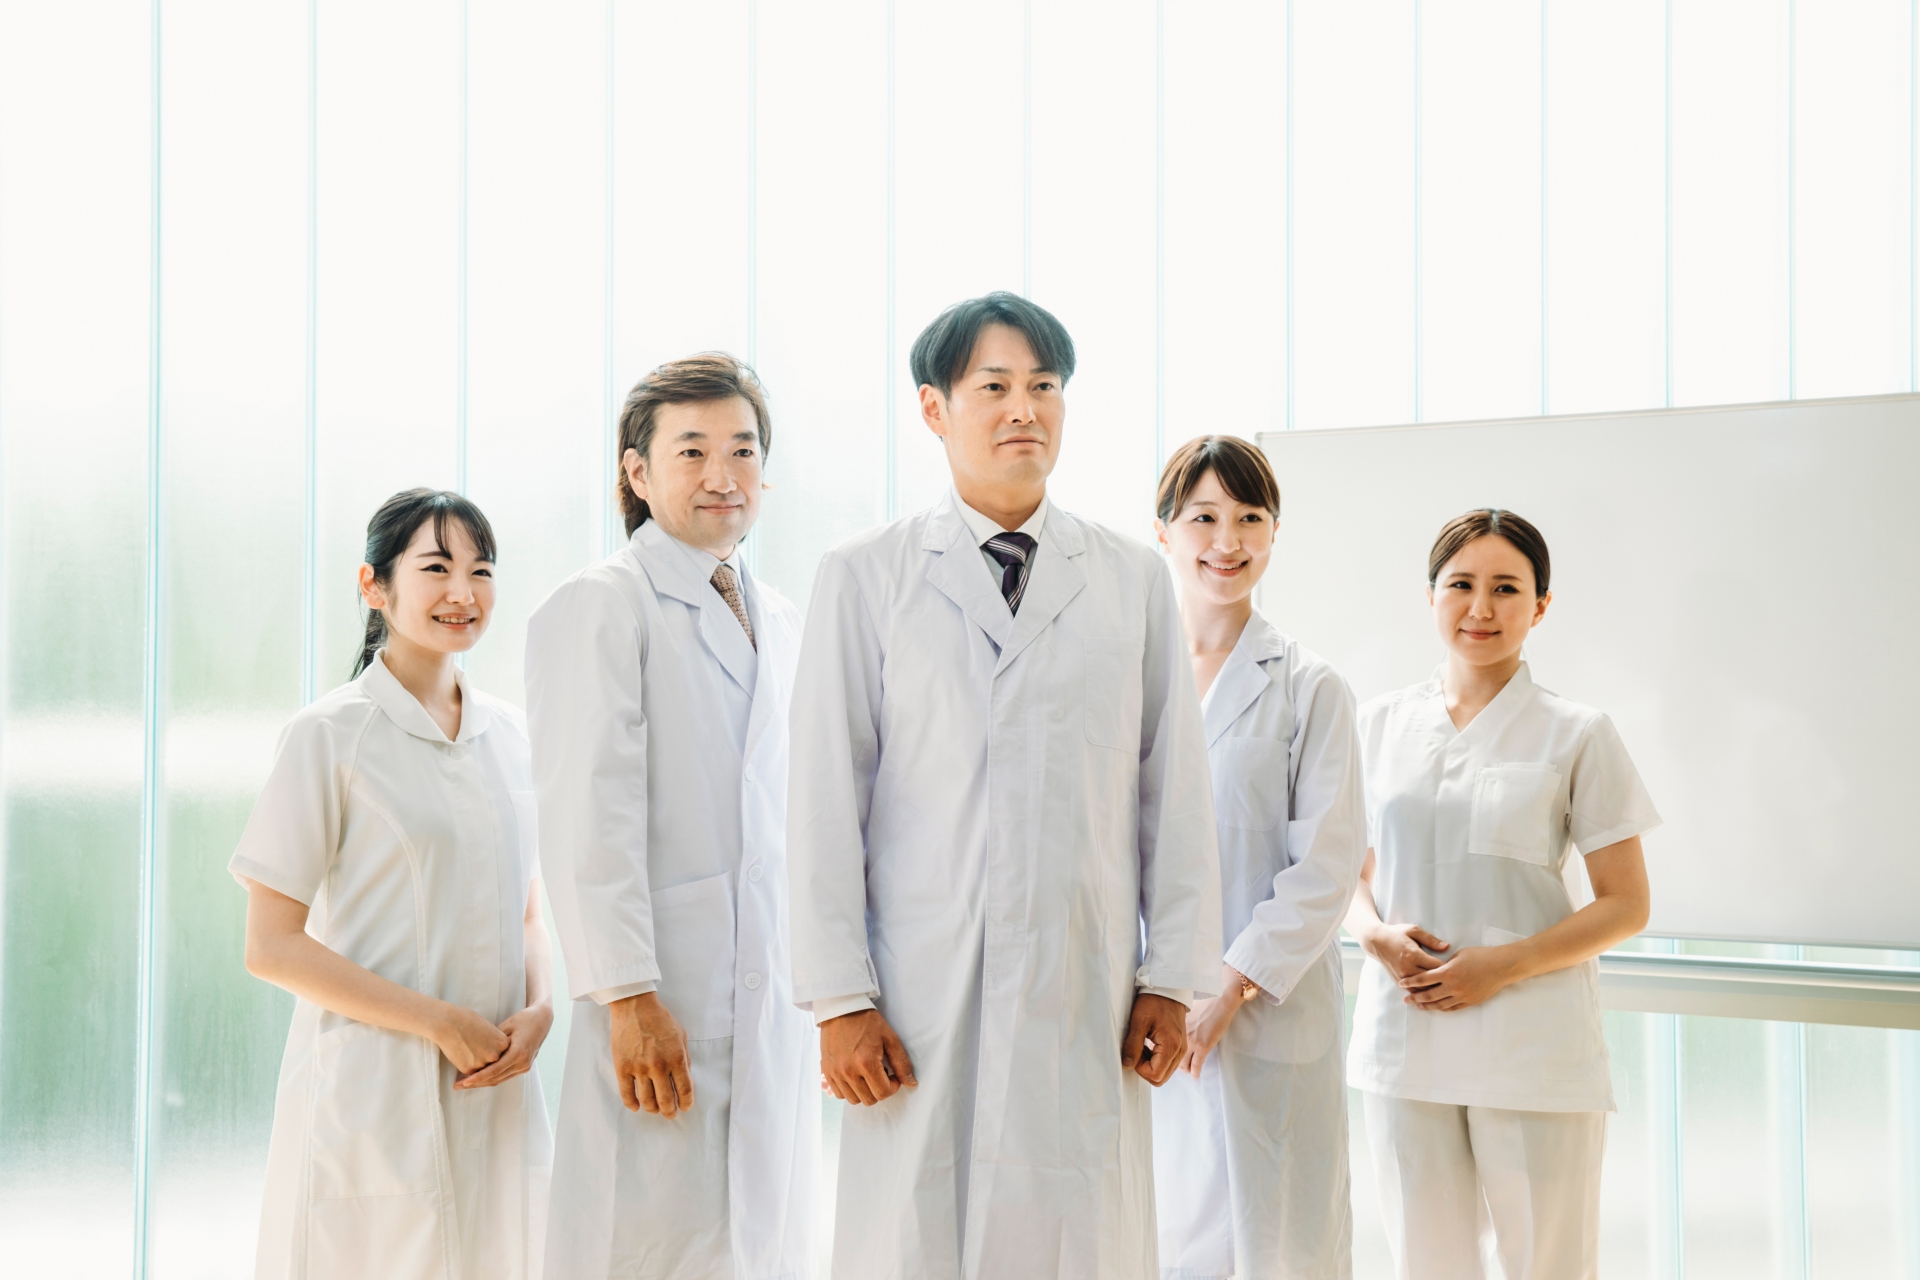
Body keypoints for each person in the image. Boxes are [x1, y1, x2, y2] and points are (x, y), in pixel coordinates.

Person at [787, 292, 1223, 1280]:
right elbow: (822, 799)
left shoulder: (1129, 577)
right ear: (934, 408)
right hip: (919, 987)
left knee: (1077, 1234)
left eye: (1044, 385)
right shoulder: (865, 575)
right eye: (994, 386)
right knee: (917, 1236)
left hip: (1085, 981)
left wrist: (1170, 979)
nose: (1024, 408)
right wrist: (839, 998)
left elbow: (1173, 793)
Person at [524, 353, 815, 1280]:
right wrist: (627, 995)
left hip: (769, 992)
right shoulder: (601, 606)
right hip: (664, 993)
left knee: (761, 1242)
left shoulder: (784, 617)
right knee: (648, 1241)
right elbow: (587, 815)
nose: (723, 474)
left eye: (743, 450)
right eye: (691, 451)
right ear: (637, 472)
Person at [231, 488, 553, 1280]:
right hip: (373, 1099)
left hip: (498, 1087)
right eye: (436, 568)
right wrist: (437, 1021)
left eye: (481, 571)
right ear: (374, 586)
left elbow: (527, 912)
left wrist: (542, 1009)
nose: (462, 592)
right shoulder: (329, 735)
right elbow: (271, 946)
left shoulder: (513, 736)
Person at [1345, 509, 1659, 1280]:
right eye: (1461, 585)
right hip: (1406, 1043)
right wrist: (1372, 935)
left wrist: (1504, 966)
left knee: (1547, 1265)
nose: (1480, 608)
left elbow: (1626, 903)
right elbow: (1344, 873)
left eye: (1506, 589)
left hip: (1532, 1048)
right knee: (1426, 1265)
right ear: (1429, 595)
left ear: (1540, 606)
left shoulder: (1576, 732)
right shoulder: (1377, 725)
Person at [1147, 436, 1365, 1280]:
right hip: (1152, 1010)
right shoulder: (1129, 677)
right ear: (1164, 531)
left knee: (1279, 1245)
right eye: (1203, 518)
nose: (1227, 541)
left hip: (1267, 1016)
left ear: (1275, 533)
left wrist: (1230, 987)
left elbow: (1327, 866)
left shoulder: (1311, 688)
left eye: (1249, 518)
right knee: (1162, 1237)